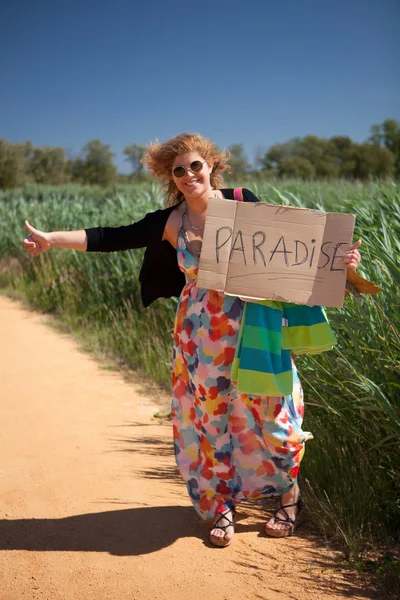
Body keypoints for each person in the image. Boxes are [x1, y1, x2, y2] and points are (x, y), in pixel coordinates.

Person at [23, 132, 362, 547]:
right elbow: (112, 237)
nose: (187, 175)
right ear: (172, 177)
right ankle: (222, 506)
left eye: (194, 166)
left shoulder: (243, 203)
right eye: (178, 170)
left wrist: (340, 262)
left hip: (255, 328)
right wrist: (52, 239)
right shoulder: (171, 221)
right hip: (201, 336)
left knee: (274, 417)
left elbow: (297, 253)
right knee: (211, 420)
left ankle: (289, 495)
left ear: (211, 166)